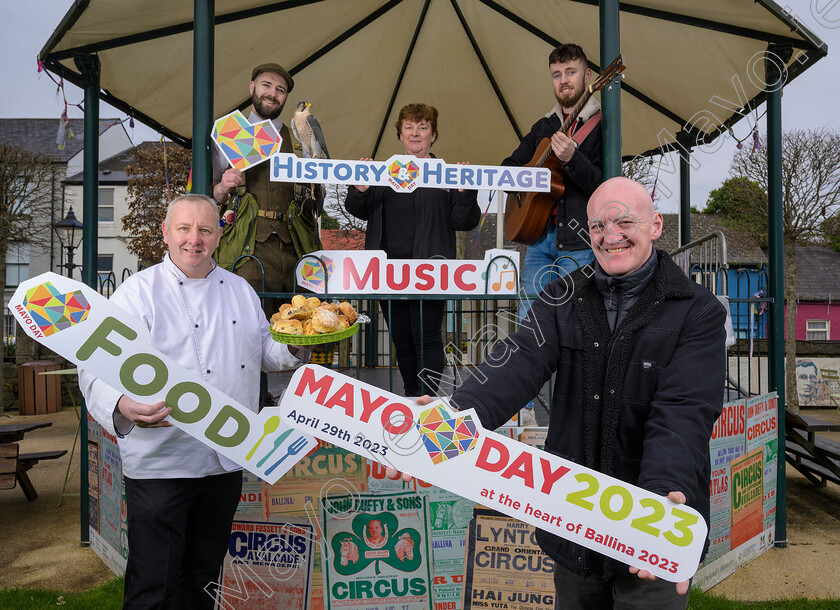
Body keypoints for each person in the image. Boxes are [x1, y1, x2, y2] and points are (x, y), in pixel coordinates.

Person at [448, 177, 726, 608]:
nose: (610, 236)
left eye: (624, 222)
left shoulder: (698, 310)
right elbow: (519, 360)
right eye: (597, 225)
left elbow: (684, 410)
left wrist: (660, 502)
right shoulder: (562, 296)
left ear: (656, 226)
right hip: (574, 527)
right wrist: (451, 416)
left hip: (650, 528)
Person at [79, 194, 311, 609]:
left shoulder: (240, 290)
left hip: (225, 456)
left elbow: (266, 354)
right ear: (166, 233)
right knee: (155, 582)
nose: (194, 240)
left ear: (219, 235)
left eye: (205, 230)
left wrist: (298, 345)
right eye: (184, 229)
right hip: (161, 462)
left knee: (205, 578)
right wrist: (121, 404)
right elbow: (94, 365)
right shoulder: (137, 293)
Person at [345, 103, 481, 396]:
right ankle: (411, 397)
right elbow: (357, 210)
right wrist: (359, 189)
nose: (416, 133)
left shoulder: (447, 175)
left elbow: (464, 221)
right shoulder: (382, 173)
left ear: (433, 136)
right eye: (409, 127)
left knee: (427, 338)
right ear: (400, 134)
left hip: (429, 271)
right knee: (401, 339)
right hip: (386, 273)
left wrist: (466, 192)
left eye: (423, 127)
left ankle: (428, 399)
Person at [503, 43, 604, 425]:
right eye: (557, 75)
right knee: (530, 328)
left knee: (578, 329)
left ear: (589, 77)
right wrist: (531, 177)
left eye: (571, 72)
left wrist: (571, 159)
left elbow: (603, 185)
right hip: (541, 239)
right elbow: (507, 168)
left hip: (580, 244)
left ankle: (574, 416)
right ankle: (523, 410)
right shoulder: (543, 127)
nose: (564, 81)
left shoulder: (603, 126)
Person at [211, 62, 323, 316]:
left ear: (285, 97)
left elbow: (317, 195)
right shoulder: (227, 132)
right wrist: (221, 187)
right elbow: (203, 196)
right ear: (252, 87)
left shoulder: (299, 140)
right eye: (266, 85)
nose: (272, 93)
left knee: (298, 331)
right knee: (245, 327)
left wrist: (315, 187)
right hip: (246, 250)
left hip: (296, 250)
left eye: (280, 90)